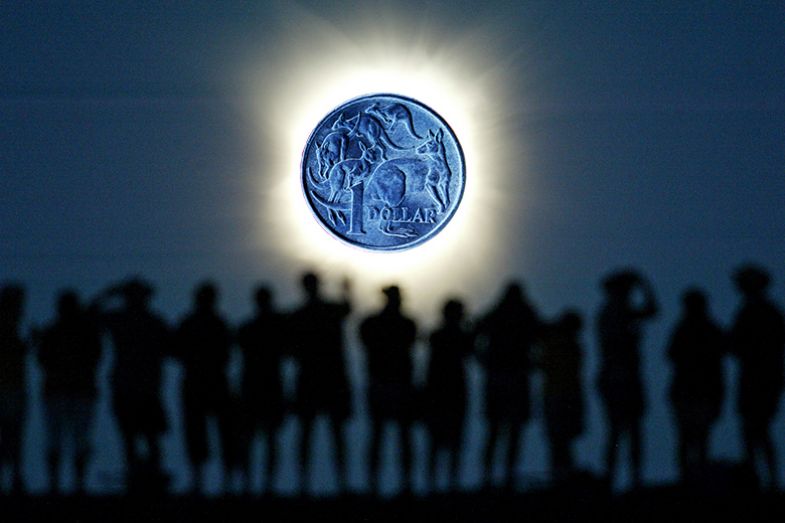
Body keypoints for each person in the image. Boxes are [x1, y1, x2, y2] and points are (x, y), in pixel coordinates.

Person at [98, 278, 171, 492]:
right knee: (133, 435)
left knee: (147, 436)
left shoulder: (152, 321)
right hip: (131, 387)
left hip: (143, 388)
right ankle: (138, 475)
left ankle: (151, 475)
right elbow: (87, 315)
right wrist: (108, 293)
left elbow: (171, 349)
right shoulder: (140, 320)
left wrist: (109, 294)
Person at [289, 272, 352, 494]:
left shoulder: (299, 315)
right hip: (323, 380)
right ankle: (326, 484)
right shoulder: (324, 311)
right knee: (322, 434)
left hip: (318, 380)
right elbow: (347, 309)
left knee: (320, 434)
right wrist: (346, 291)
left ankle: (311, 485)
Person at [476, 281, 541, 490]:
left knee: (504, 431)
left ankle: (501, 478)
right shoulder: (509, 313)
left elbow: (540, 336)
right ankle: (494, 478)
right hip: (505, 378)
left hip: (508, 378)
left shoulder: (507, 313)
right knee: (501, 431)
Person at [37, 290, 103, 493]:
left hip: (69, 392)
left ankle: (68, 483)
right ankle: (70, 483)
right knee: (70, 439)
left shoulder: (54, 332)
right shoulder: (80, 332)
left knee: (69, 439)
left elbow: (42, 359)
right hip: (70, 392)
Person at [596, 270, 658, 488]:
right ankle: (622, 479)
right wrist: (643, 283)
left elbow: (652, 311)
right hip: (619, 376)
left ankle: (624, 478)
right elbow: (652, 311)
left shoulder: (613, 311)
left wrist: (642, 283)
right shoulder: (615, 312)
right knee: (624, 430)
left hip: (621, 376)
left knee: (624, 430)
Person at [174, 281, 234, 494]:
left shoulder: (207, 323)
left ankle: (213, 483)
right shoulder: (214, 322)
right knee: (200, 435)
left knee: (214, 435)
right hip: (204, 384)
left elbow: (175, 351)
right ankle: (203, 482)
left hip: (206, 384)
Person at [729, 265, 785, 490]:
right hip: (763, 380)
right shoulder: (767, 311)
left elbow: (736, 345)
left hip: (758, 381)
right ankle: (763, 480)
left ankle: (761, 482)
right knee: (757, 432)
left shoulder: (756, 311)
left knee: (755, 431)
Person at [359, 285, 418, 495]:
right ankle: (390, 485)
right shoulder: (406, 323)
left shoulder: (372, 323)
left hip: (390, 384)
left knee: (389, 436)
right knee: (388, 436)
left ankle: (387, 485)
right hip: (389, 384)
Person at [667, 289, 725, 483]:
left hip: (697, 391)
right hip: (692, 391)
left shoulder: (694, 329)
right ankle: (690, 478)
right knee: (693, 438)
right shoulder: (704, 329)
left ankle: (693, 478)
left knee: (695, 438)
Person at [236, 285, 287, 494]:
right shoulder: (258, 329)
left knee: (262, 439)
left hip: (262, 388)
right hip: (260, 388)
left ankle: (261, 485)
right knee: (257, 439)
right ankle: (258, 485)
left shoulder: (249, 328)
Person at [422, 298, 474, 492]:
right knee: (441, 444)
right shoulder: (443, 335)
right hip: (445, 394)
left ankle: (443, 485)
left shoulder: (438, 335)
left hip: (446, 394)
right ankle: (441, 486)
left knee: (446, 444)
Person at [540, 310, 585, 484]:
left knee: (560, 441)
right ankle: (561, 476)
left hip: (560, 397)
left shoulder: (556, 342)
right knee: (560, 440)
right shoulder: (559, 343)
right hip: (559, 397)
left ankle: (562, 475)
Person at [0, 284, 27, 494]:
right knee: (12, 433)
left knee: (13, 433)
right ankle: (14, 477)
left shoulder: (13, 324)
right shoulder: (8, 325)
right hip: (10, 388)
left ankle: (14, 477)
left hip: (14, 387)